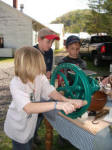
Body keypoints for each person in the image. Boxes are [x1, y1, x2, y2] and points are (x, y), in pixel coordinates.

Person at [4, 46, 86, 150]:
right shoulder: (16, 83)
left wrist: (68, 100)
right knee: (22, 145)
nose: (41, 69)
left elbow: (51, 91)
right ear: (27, 66)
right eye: (37, 66)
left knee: (28, 141)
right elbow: (28, 107)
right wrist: (57, 104)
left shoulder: (39, 76)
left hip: (29, 124)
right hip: (18, 127)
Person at [57, 35, 87, 145]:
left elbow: (84, 79)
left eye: (77, 49)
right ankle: (62, 136)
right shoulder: (62, 62)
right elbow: (60, 78)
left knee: (77, 115)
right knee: (65, 115)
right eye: (72, 48)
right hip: (66, 92)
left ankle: (74, 135)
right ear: (67, 48)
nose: (75, 51)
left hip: (78, 93)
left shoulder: (82, 63)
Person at [33, 28, 60, 145]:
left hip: (44, 86)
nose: (50, 45)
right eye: (48, 42)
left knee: (40, 113)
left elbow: (48, 69)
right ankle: (30, 136)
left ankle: (34, 134)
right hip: (33, 87)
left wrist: (48, 72)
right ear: (39, 40)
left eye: (52, 42)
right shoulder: (32, 52)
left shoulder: (50, 52)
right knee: (33, 112)